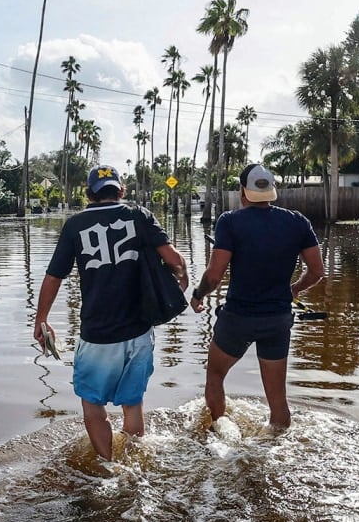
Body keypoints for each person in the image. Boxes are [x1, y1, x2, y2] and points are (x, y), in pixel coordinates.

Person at [35, 164, 189, 461]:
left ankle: (108, 468)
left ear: (89, 193)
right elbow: (173, 259)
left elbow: (54, 277)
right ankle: (133, 465)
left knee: (93, 407)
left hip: (98, 334)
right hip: (139, 331)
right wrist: (181, 279)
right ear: (121, 190)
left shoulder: (75, 225)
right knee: (133, 405)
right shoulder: (139, 215)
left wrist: (41, 319)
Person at [189, 164, 326, 431]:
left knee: (215, 375)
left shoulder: (230, 222)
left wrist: (197, 294)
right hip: (277, 319)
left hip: (238, 318)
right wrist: (294, 289)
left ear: (243, 191)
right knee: (278, 400)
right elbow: (317, 271)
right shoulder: (297, 222)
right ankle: (277, 442)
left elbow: (214, 276)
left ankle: (220, 432)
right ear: (273, 190)